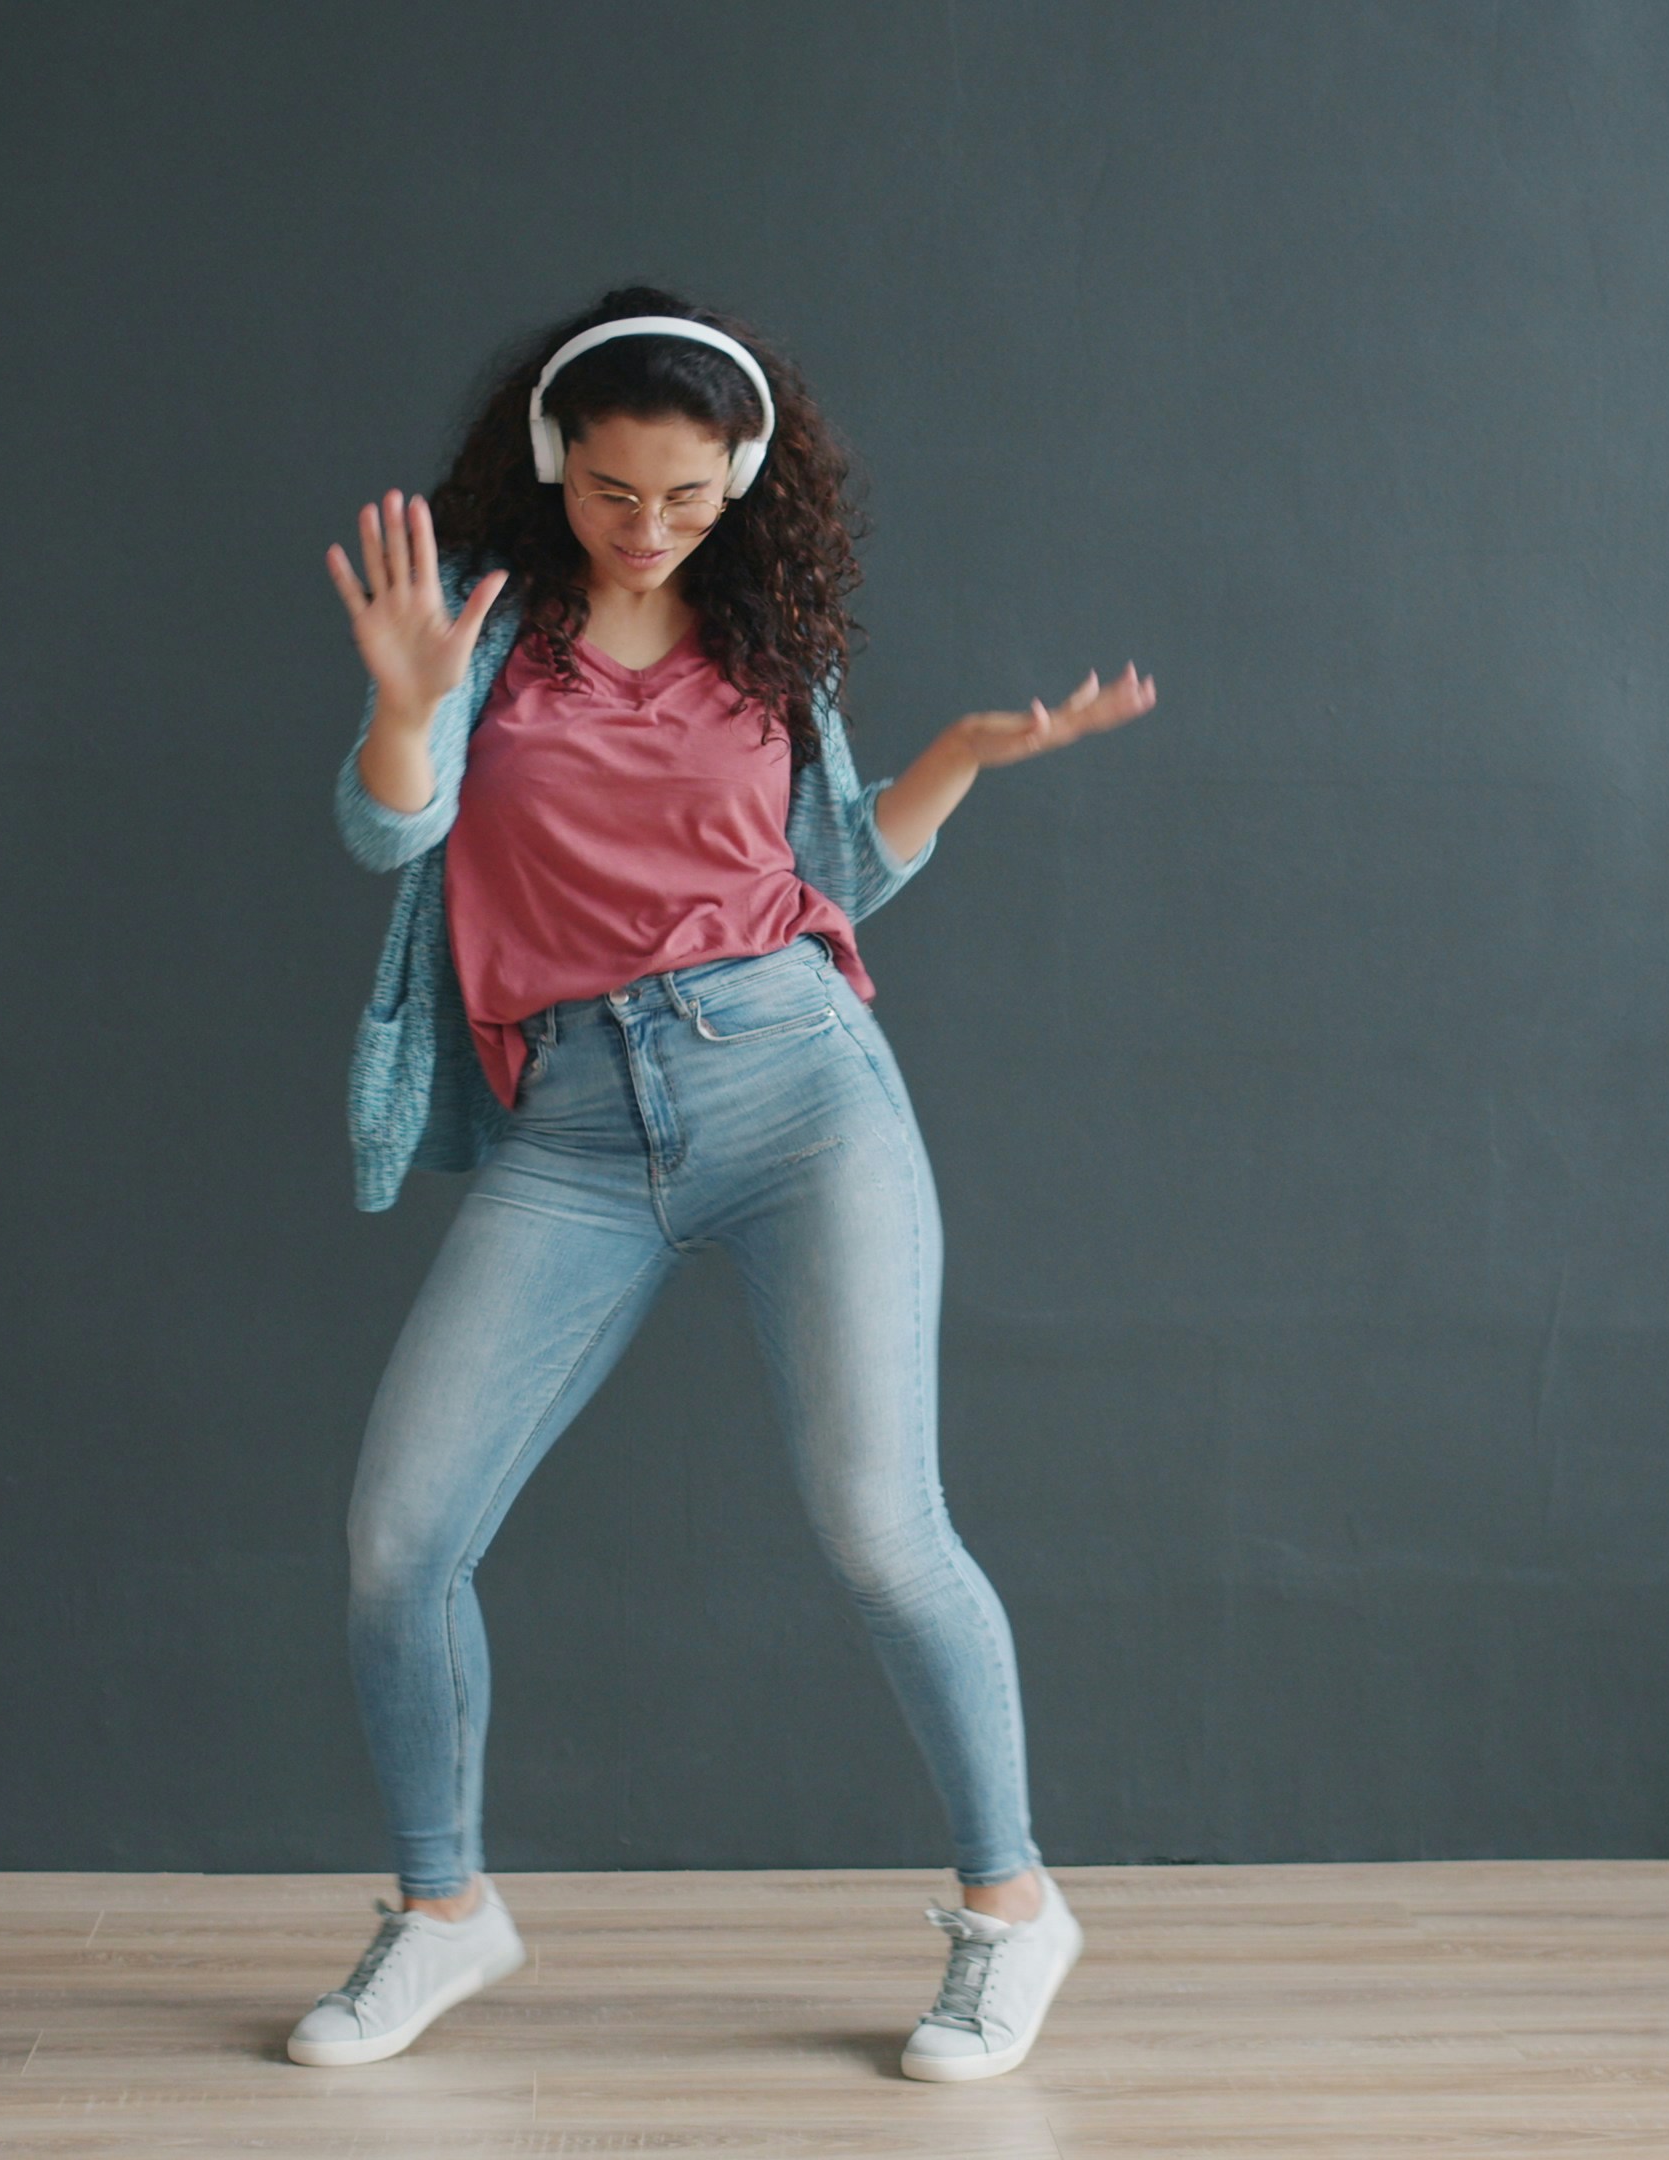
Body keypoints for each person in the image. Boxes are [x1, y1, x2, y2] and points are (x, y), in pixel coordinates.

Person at [292, 284, 1155, 2082]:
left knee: (878, 1524)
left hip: (799, 1088)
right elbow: (394, 825)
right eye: (618, 490)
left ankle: (1014, 1910)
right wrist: (402, 710)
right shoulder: (480, 629)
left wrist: (971, 759)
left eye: (692, 495)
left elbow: (834, 863)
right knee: (399, 1542)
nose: (655, 525)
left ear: (743, 476)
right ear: (553, 462)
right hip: (580, 1134)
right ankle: (447, 1915)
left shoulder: (768, 643)